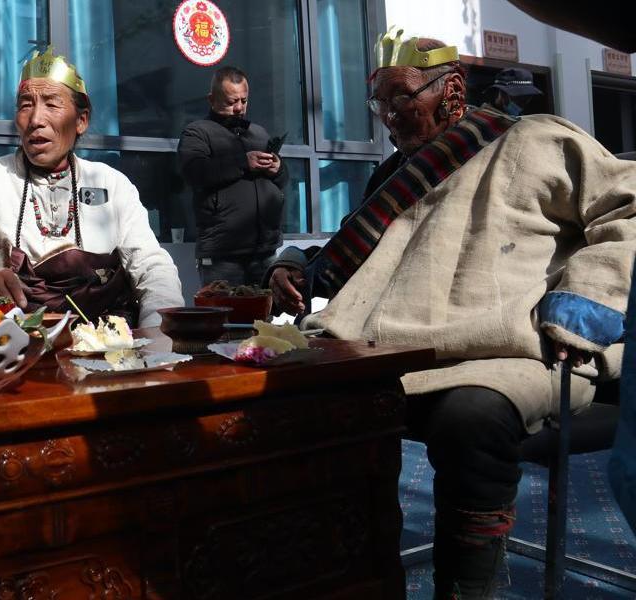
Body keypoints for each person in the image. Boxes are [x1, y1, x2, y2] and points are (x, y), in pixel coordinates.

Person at [267, 28, 635, 598]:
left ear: (453, 89)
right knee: (295, 404)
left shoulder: (536, 139)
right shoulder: (393, 177)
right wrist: (292, 264)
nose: (389, 115)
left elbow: (627, 207)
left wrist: (585, 300)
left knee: (471, 418)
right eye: (380, 101)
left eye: (401, 96)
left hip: (507, 349)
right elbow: (352, 256)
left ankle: (466, 588)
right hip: (391, 350)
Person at [0, 49, 182, 327]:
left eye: (52, 104)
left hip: (111, 342)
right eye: (26, 105)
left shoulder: (112, 185)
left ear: (81, 120)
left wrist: (158, 331)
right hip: (18, 342)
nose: (35, 120)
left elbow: (152, 267)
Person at [178, 67, 289, 288]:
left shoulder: (259, 133)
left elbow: (283, 180)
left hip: (265, 250)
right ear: (211, 100)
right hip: (223, 255)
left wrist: (278, 168)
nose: (239, 108)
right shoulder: (197, 132)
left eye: (244, 101)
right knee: (224, 309)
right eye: (231, 102)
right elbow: (194, 173)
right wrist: (242, 162)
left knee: (266, 310)